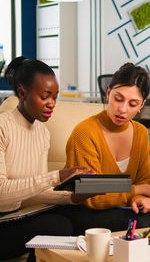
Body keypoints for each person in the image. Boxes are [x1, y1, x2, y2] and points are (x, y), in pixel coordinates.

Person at [0, 56, 94, 261]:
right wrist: (57, 176)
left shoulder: (42, 133)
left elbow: (34, 193)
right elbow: (1, 194)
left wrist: (71, 197)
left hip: (17, 215)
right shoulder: (2, 126)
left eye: (55, 97)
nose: (52, 104)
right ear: (23, 93)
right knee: (58, 226)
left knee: (83, 217)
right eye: (45, 97)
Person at [58, 63, 150, 234]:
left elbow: (145, 181)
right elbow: (92, 194)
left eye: (133, 104)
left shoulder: (141, 133)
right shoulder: (85, 132)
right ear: (108, 94)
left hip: (123, 210)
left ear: (141, 106)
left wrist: (140, 199)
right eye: (118, 98)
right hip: (84, 212)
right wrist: (138, 190)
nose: (122, 109)